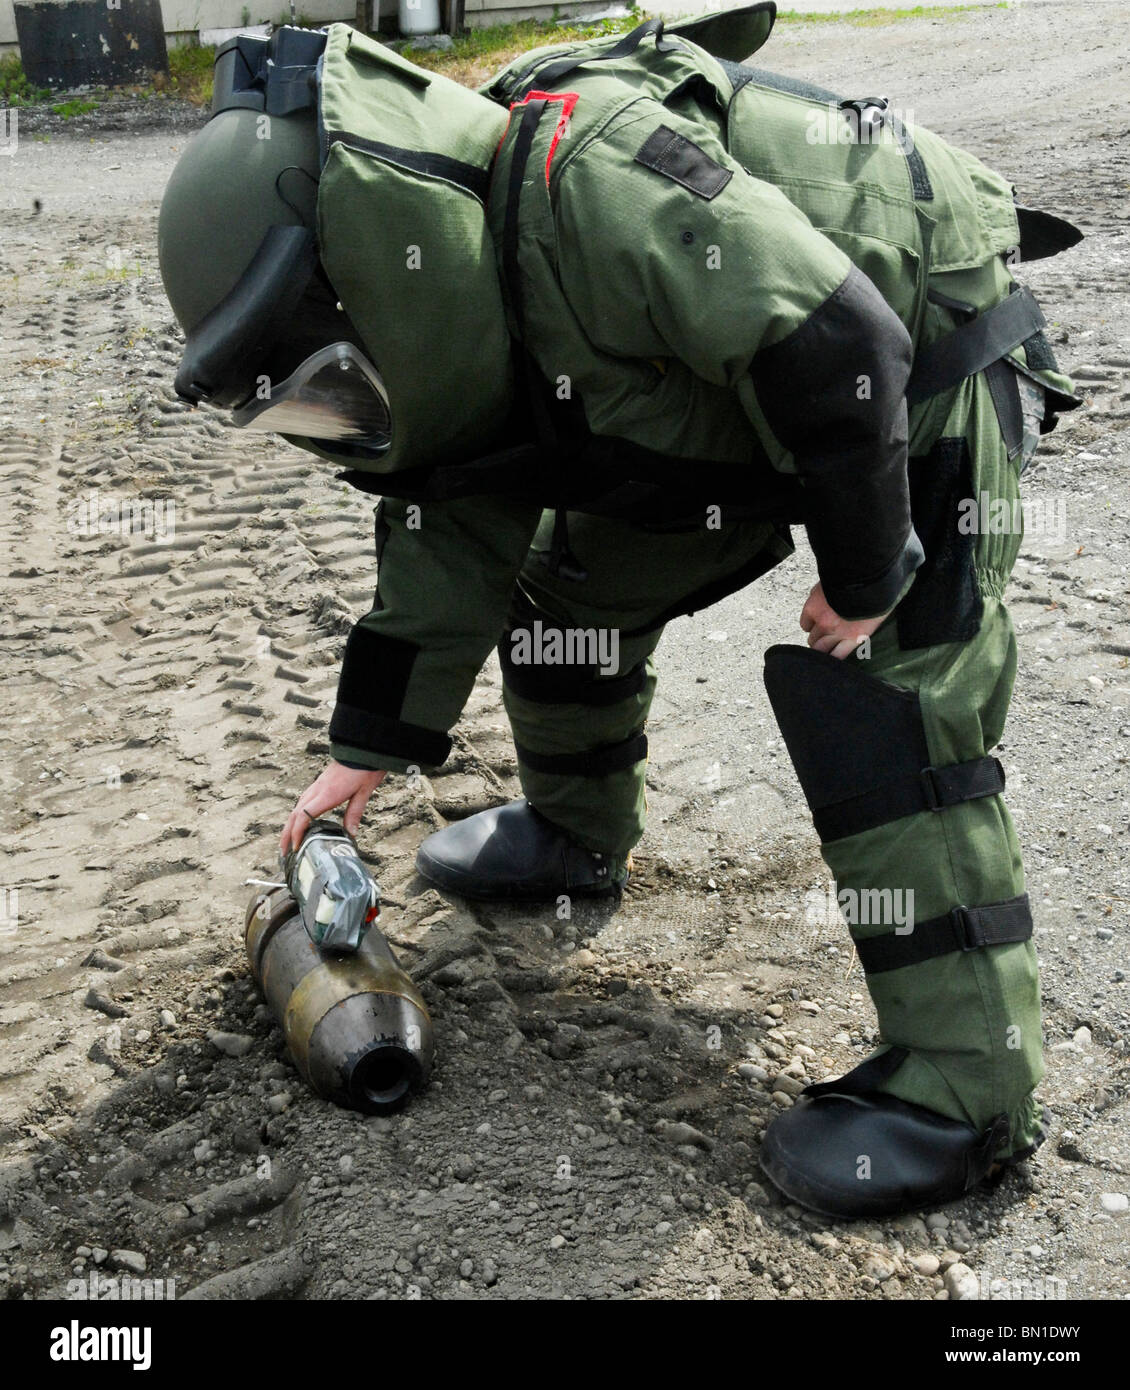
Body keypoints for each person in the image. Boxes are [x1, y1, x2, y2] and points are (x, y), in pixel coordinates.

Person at [157, 8, 1081, 1218]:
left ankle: (965, 1096)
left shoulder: (592, 178)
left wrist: (862, 579)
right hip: (726, 398)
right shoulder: (459, 317)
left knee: (892, 703)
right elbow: (451, 530)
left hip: (909, 358)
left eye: (328, 378)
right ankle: (576, 830)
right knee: (568, 588)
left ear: (380, 268)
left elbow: (838, 342)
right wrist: (364, 752)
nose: (342, 416)